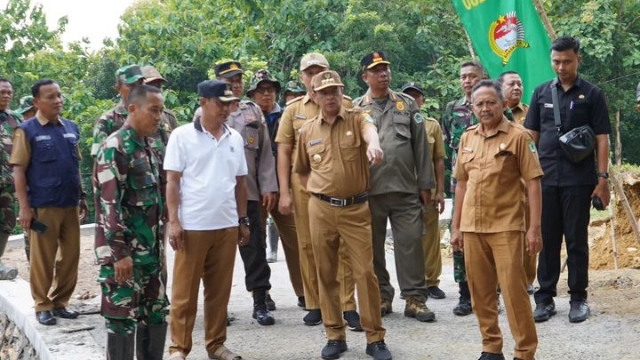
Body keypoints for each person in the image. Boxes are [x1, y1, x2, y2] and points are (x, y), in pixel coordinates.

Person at [295, 70, 392, 360]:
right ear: (314, 96)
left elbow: (370, 131)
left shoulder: (357, 117)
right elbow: (301, 172)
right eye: (323, 92)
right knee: (325, 273)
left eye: (334, 91)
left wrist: (374, 145)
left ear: (342, 93)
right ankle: (334, 335)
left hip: (355, 210)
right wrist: (318, 193)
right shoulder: (307, 131)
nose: (329, 97)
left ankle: (375, 337)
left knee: (365, 272)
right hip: (321, 210)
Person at [451, 80, 542, 360]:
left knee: (514, 294)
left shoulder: (519, 136)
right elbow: (461, 185)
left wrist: (534, 229)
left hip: (506, 227)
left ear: (503, 104)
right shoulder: (467, 137)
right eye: (479, 104)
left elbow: (534, 183)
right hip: (472, 228)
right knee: (480, 294)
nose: (485, 108)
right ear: (473, 107)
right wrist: (455, 227)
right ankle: (491, 347)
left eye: (491, 102)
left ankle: (524, 351)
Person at [524, 36, 612, 324]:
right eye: (556, 61)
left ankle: (578, 298)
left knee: (576, 240)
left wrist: (602, 178)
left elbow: (601, 139)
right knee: (546, 240)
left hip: (579, 180)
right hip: (545, 178)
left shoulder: (593, 94)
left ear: (578, 60)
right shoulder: (540, 93)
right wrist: (525, 175)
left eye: (567, 61)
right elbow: (531, 138)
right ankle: (545, 299)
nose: (561, 67)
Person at [275, 53, 360, 329]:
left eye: (319, 71)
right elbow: (284, 152)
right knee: (308, 244)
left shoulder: (345, 104)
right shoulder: (293, 109)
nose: (314, 77)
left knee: (343, 246)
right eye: (309, 73)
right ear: (302, 77)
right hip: (303, 187)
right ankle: (315, 303)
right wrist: (284, 192)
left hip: (337, 186)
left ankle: (347, 305)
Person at [165, 80, 245, 360]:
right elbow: (172, 182)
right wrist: (174, 222)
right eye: (220, 103)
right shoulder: (181, 135)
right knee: (184, 293)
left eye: (229, 104)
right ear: (202, 102)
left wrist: (242, 219)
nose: (226, 109)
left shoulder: (234, 137)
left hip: (226, 224)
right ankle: (179, 348)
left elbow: (240, 182)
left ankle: (216, 345)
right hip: (193, 226)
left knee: (219, 292)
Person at [353, 51, 435, 323]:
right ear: (365, 76)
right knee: (373, 248)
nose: (384, 74)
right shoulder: (356, 109)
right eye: (377, 71)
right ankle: (382, 297)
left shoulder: (407, 104)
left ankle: (414, 299)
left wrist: (426, 185)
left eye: (386, 69)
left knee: (411, 243)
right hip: (370, 192)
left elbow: (421, 148)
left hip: (405, 189)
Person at [94, 85, 169, 360]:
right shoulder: (115, 148)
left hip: (150, 255)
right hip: (123, 260)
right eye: (153, 110)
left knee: (156, 315)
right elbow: (109, 207)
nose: (159, 117)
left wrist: (160, 252)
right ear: (133, 109)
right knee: (122, 321)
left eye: (160, 110)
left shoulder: (150, 147)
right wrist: (120, 254)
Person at [10, 79, 88, 325]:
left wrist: (82, 197)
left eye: (59, 95)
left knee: (71, 257)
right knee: (42, 258)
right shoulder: (27, 130)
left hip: (70, 204)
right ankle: (42, 304)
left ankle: (60, 302)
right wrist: (24, 207)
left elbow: (75, 168)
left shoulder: (71, 128)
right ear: (37, 102)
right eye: (51, 97)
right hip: (43, 206)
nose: (58, 101)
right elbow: (18, 171)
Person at [247, 69, 304, 302]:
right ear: (253, 94)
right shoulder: (246, 116)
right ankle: (262, 294)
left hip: (285, 186)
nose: (266, 94)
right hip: (255, 188)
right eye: (261, 90)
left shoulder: (287, 115)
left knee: (296, 240)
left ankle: (305, 292)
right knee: (255, 241)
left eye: (270, 90)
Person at [442, 61, 485, 316]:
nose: (467, 81)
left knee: (489, 236)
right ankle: (464, 294)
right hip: (461, 184)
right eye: (463, 77)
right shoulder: (451, 109)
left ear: (482, 78)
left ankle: (490, 292)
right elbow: (449, 148)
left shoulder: (493, 105)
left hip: (489, 185)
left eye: (472, 76)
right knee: (459, 235)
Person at [401, 82, 446, 300]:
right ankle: (410, 283)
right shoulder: (396, 123)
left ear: (423, 100)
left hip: (427, 188)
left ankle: (431, 281)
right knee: (407, 238)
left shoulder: (432, 125)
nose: (412, 99)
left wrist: (440, 191)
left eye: (416, 96)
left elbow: (438, 159)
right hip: (402, 188)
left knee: (430, 237)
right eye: (407, 95)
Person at [497, 71, 536, 295]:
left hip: (526, 184)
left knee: (529, 232)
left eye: (520, 84)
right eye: (512, 84)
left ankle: (528, 279)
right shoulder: (492, 113)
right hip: (500, 186)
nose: (517, 87)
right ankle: (501, 279)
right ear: (500, 87)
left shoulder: (530, 113)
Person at [91, 65, 145, 157]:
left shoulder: (151, 116)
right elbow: (99, 160)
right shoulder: (106, 121)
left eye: (140, 85)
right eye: (131, 85)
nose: (137, 90)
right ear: (118, 88)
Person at [0, 79, 21, 280]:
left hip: (9, 184)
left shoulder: (16, 120)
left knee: (7, 223)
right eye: (2, 92)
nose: (6, 95)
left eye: (9, 92)